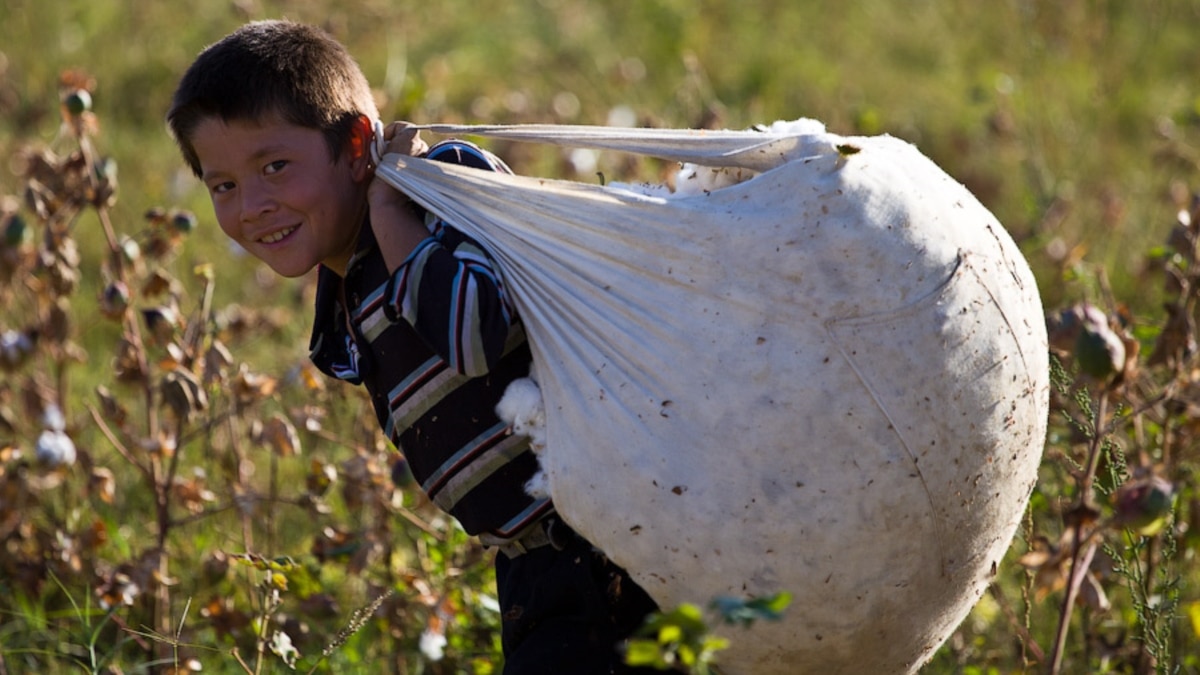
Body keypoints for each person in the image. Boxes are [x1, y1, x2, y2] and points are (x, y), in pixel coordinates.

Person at [166, 19, 659, 674]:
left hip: (610, 549)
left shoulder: (444, 193)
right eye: (222, 185)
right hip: (529, 568)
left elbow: (475, 335)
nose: (252, 204)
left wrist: (392, 212)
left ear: (357, 147)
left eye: (276, 166)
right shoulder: (346, 288)